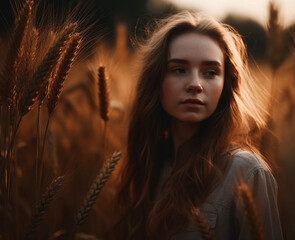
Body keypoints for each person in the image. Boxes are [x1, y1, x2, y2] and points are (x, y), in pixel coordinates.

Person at [116, 11, 283, 240]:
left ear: (226, 86)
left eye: (210, 73)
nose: (195, 84)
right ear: (156, 80)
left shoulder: (246, 172)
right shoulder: (151, 167)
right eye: (179, 70)